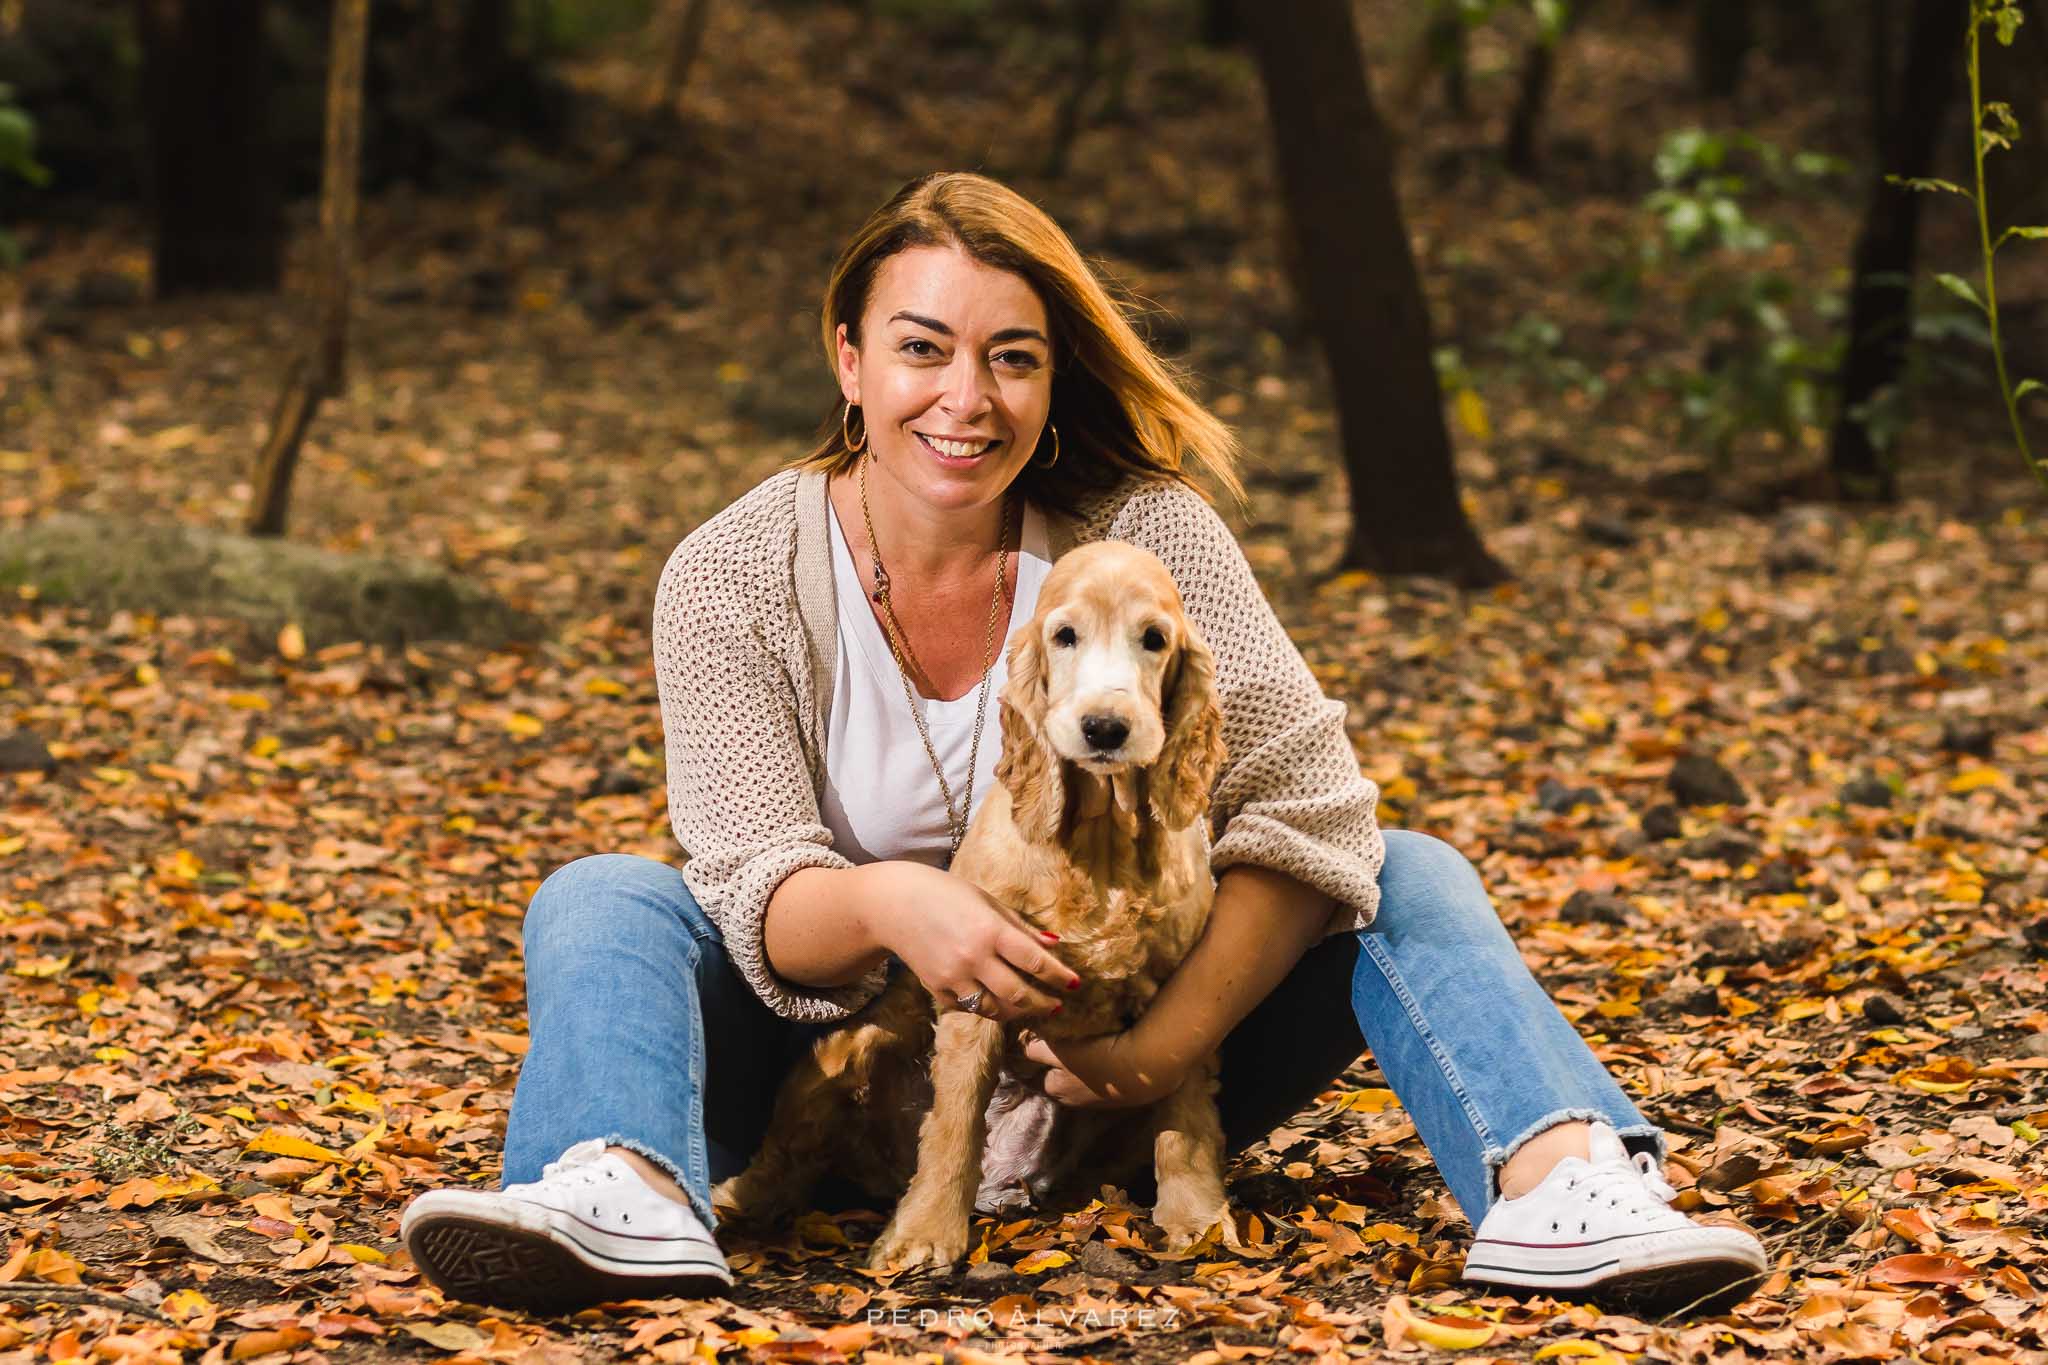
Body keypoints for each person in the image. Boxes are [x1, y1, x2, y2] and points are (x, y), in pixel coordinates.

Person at [400, 171, 1766, 1317]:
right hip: (829, 1057)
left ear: (1054, 382)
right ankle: (616, 1185)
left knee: (1405, 867)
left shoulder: (1147, 535)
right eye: (923, 346)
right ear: (850, 360)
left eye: (1014, 356)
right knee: (603, 895)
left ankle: (1564, 1179)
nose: (966, 397)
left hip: (1119, 1039)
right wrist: (896, 901)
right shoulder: (735, 573)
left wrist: (1154, 1050)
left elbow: (1312, 810)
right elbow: (754, 883)